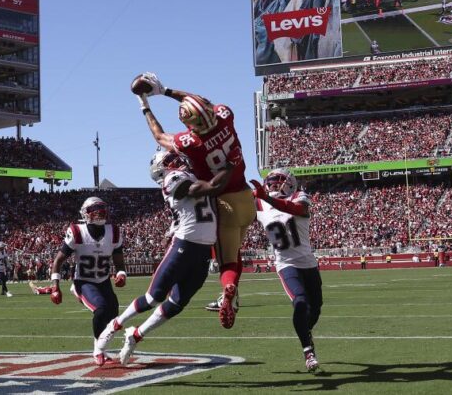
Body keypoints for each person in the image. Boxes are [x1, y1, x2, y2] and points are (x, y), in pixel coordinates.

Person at [134, 72, 255, 329]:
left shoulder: (190, 142)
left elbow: (159, 136)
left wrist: (145, 104)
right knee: (234, 253)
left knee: (227, 261)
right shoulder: (225, 114)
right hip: (247, 196)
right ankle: (230, 293)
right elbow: (201, 100)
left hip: (225, 203)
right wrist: (165, 90)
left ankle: (228, 291)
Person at [99, 150, 230, 366]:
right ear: (162, 169)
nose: (176, 160)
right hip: (185, 244)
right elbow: (210, 187)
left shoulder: (191, 175)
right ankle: (115, 324)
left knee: (177, 303)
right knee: (153, 297)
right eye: (169, 160)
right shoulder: (172, 179)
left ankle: (136, 335)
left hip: (205, 249)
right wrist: (230, 166)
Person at [251, 169, 323, 373]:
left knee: (315, 308)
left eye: (278, 181)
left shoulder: (299, 196)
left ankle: (305, 332)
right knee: (300, 302)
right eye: (271, 182)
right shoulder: (258, 203)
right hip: (286, 264)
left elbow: (297, 210)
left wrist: (266, 198)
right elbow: (238, 214)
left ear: (290, 183)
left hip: (308, 263)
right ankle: (308, 352)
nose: (274, 185)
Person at [48, 196, 127, 365]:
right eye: (94, 209)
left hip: (104, 281)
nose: (99, 211)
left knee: (113, 315)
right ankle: (98, 350)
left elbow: (119, 262)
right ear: (85, 213)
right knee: (101, 309)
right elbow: (58, 261)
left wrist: (121, 274)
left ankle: (101, 347)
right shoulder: (77, 231)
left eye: (101, 207)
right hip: (83, 281)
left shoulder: (114, 231)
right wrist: (55, 286)